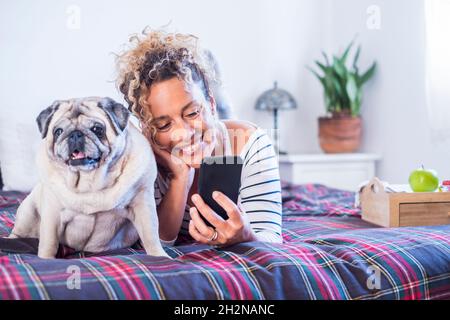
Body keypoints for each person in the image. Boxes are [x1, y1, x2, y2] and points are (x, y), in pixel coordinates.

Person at [116, 29, 282, 246]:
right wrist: (180, 178)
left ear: (211, 104)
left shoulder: (251, 144)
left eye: (193, 113)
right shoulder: (146, 158)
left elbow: (271, 239)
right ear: (148, 129)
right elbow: (158, 245)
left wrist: (246, 237)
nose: (184, 133)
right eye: (164, 124)